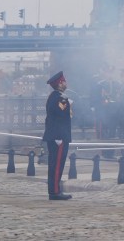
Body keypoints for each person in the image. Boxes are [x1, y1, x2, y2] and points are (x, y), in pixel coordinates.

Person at [43, 71, 73, 200]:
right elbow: (63, 115)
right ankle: (55, 192)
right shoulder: (60, 98)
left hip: (55, 135)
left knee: (55, 164)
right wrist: (69, 103)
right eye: (64, 81)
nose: (66, 83)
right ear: (60, 83)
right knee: (57, 165)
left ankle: (54, 190)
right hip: (59, 136)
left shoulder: (53, 97)